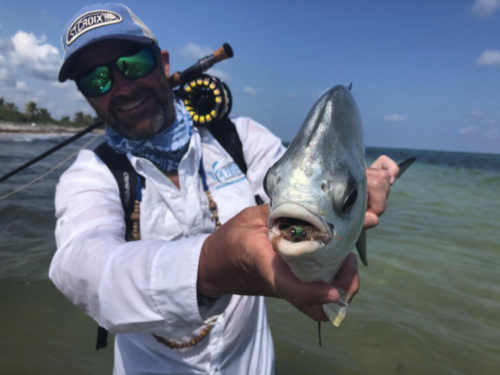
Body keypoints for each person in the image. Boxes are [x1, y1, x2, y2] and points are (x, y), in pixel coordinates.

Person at [49, 4, 401, 374]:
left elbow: (306, 184)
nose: (121, 86)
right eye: (95, 79)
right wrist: (213, 266)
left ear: (163, 64)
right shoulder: (89, 174)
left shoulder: (241, 138)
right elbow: (82, 269)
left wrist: (357, 186)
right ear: (84, 93)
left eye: (133, 63)